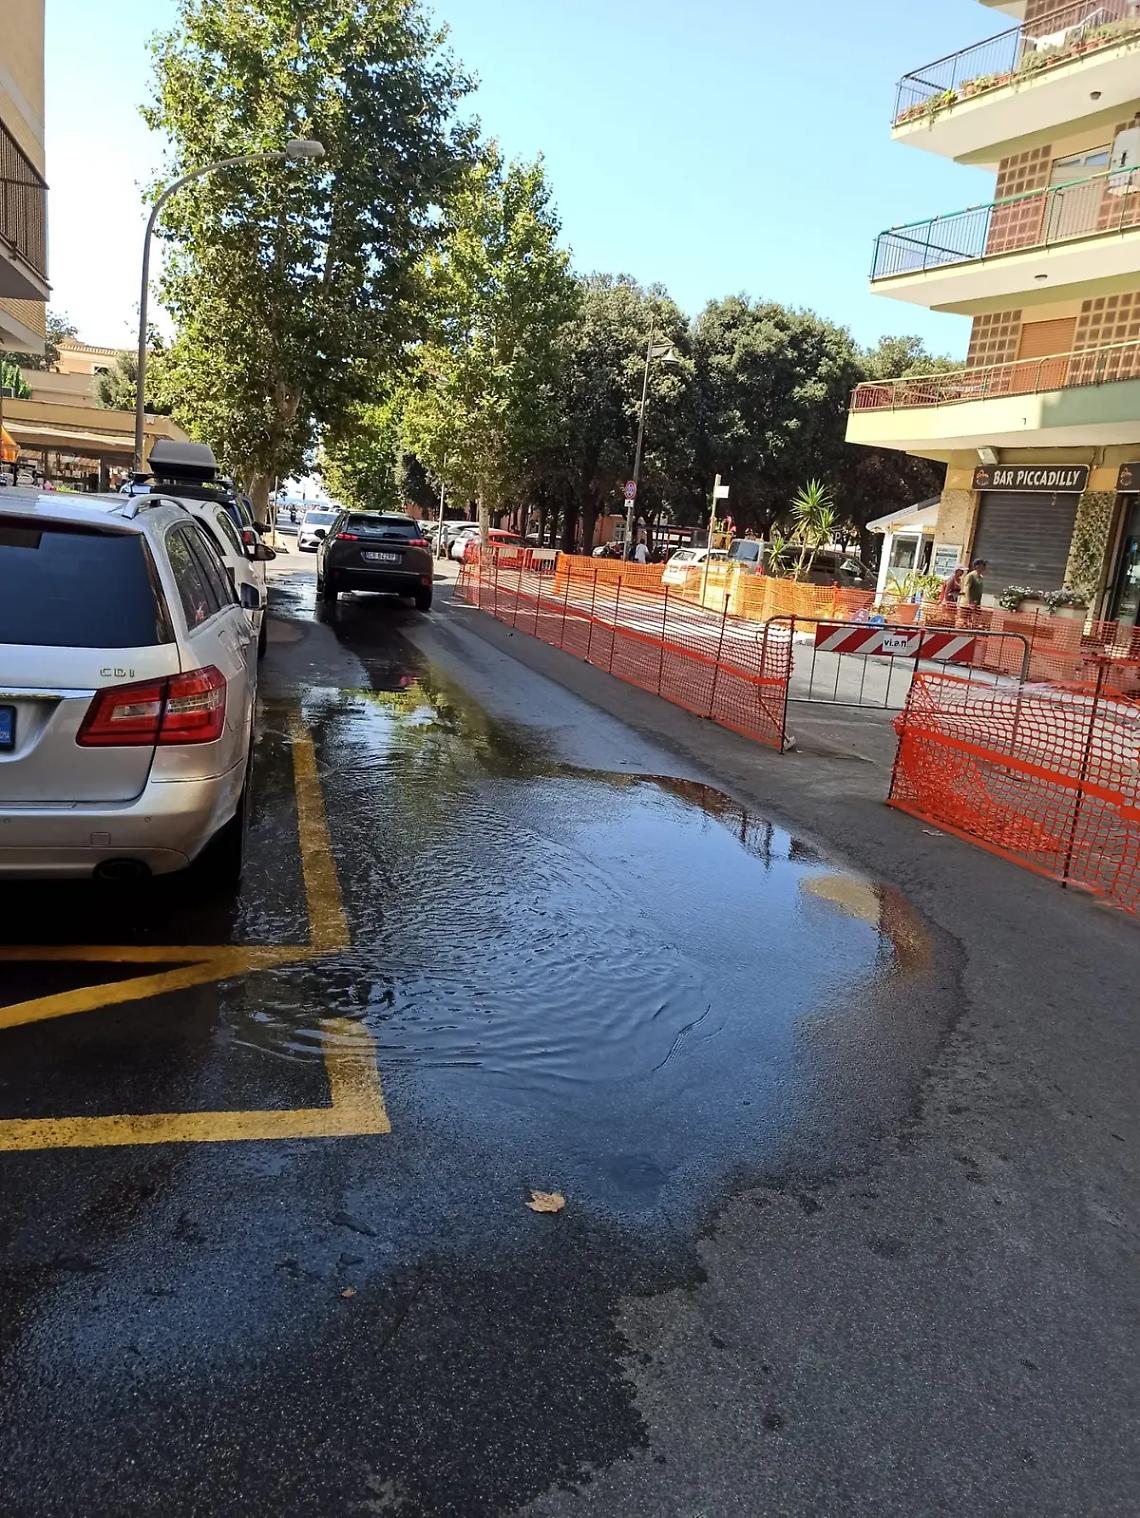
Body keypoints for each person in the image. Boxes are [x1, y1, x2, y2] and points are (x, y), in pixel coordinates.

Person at [960, 558, 986, 623]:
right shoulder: (970, 576)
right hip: (967, 604)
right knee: (964, 622)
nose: (984, 567)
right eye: (983, 565)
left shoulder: (981, 577)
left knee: (974, 622)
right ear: (977, 566)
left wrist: (977, 603)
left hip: (976, 603)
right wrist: (970, 602)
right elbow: (966, 589)